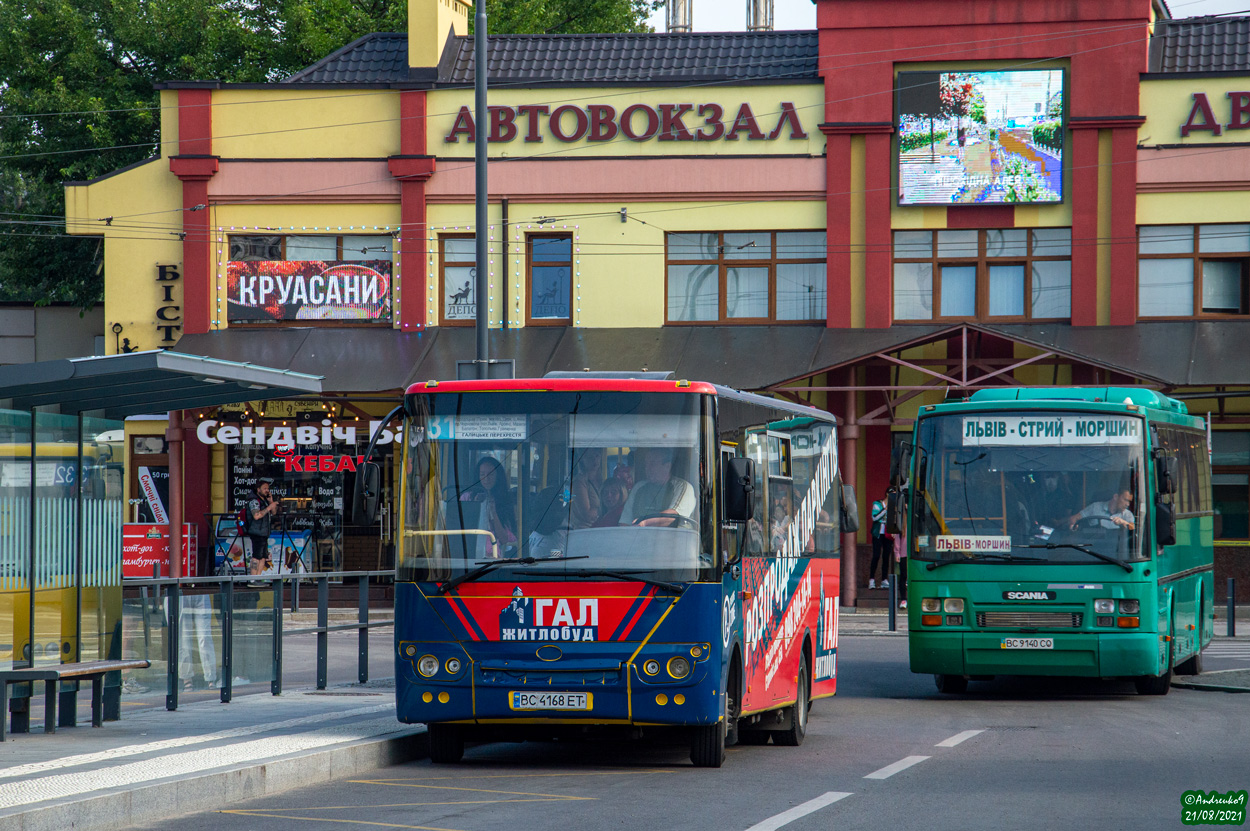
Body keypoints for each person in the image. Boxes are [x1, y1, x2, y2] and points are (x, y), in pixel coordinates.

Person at [618, 447, 696, 527]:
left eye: (652, 464)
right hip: (639, 538)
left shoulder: (682, 487)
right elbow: (625, 522)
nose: (647, 468)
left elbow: (673, 516)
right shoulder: (638, 488)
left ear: (667, 466)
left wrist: (644, 523)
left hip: (673, 538)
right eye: (646, 464)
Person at [466, 457, 517, 557]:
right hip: (467, 549)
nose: (486, 479)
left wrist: (493, 511)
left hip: (492, 555)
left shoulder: (504, 500)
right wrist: (475, 508)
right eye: (482, 475)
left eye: (491, 475)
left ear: (498, 476)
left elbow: (504, 539)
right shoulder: (467, 497)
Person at [244, 477, 278, 573]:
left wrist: (271, 502)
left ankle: (259, 577)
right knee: (256, 557)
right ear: (258, 489)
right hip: (256, 532)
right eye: (265, 488)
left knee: (263, 557)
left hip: (264, 532)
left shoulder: (265, 501)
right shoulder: (254, 501)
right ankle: (253, 578)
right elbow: (256, 515)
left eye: (268, 489)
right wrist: (269, 507)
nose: (267, 490)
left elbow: (274, 512)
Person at [1068, 486, 1135, 532]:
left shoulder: (1128, 515)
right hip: (1092, 546)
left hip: (1116, 548)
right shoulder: (1095, 507)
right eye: (1125, 500)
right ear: (1116, 497)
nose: (1127, 504)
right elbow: (1074, 518)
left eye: (1129, 501)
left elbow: (1133, 529)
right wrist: (1073, 527)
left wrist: (1123, 522)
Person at [570, 448, 605, 529]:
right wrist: (606, 509)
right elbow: (587, 515)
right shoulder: (579, 482)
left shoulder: (601, 480)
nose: (595, 460)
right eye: (590, 457)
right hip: (584, 530)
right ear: (582, 460)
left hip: (599, 528)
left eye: (597, 456)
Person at [868, 491, 893, 590]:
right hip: (878, 533)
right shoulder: (877, 504)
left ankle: (884, 579)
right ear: (887, 494)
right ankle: (871, 579)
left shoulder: (894, 506)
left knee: (886, 556)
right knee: (876, 555)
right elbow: (875, 518)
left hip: (888, 533)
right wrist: (885, 510)